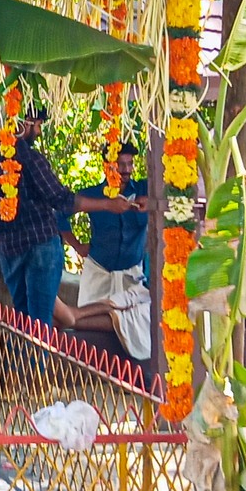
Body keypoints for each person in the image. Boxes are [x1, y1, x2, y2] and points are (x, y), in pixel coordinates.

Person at [0, 110, 137, 328]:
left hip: (9, 248)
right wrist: (108, 204)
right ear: (26, 122)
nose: (39, 132)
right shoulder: (30, 158)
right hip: (40, 245)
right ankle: (37, 363)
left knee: (21, 319)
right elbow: (62, 200)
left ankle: (20, 362)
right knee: (41, 321)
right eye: (38, 125)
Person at [57, 143, 153, 360]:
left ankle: (66, 317)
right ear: (107, 166)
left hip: (132, 276)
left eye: (130, 164)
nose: (127, 169)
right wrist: (77, 246)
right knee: (92, 332)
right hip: (99, 272)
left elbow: (172, 193)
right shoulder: (92, 195)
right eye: (121, 164)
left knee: (132, 324)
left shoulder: (144, 190)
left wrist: (153, 202)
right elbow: (60, 214)